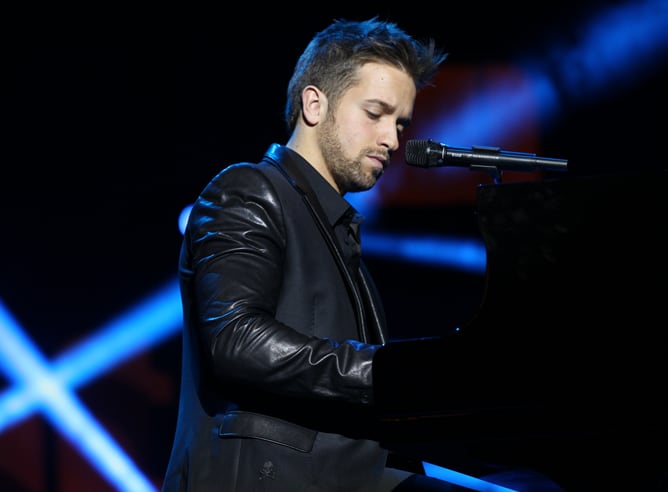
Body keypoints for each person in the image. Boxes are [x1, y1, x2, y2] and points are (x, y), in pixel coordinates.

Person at [161, 17, 564, 492]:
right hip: (273, 475)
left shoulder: (336, 228)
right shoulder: (248, 190)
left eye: (400, 123)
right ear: (315, 104)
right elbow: (235, 339)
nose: (392, 140)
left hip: (349, 470)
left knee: (530, 486)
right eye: (375, 113)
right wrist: (387, 372)